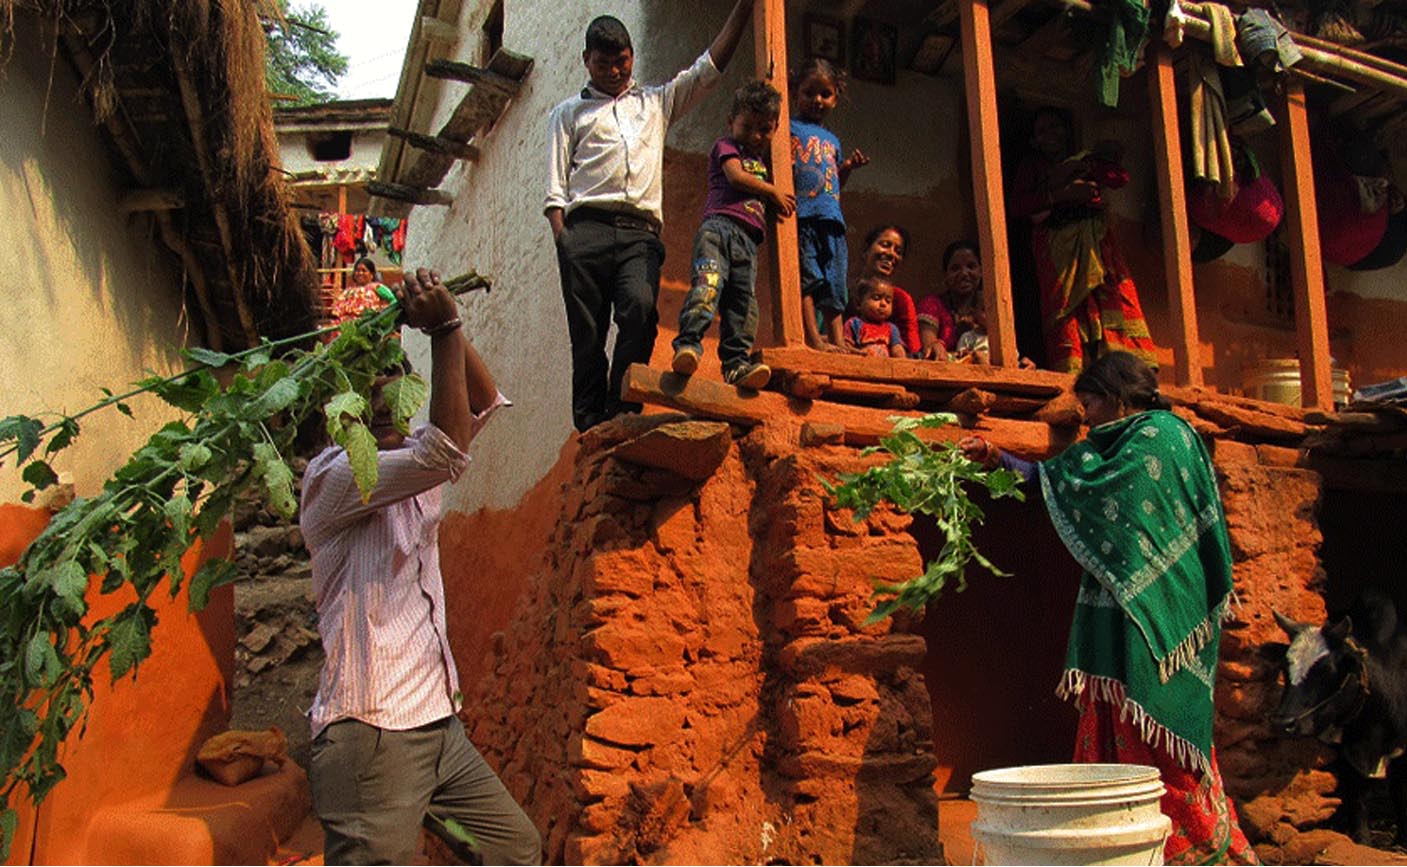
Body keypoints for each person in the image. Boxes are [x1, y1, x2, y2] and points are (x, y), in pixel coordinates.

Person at [958, 352, 1258, 865]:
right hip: (1115, 602)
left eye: (1091, 399)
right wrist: (994, 456)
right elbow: (1059, 480)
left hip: (1166, 606)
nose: (1086, 412)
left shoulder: (1163, 436)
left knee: (1158, 718)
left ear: (1118, 393)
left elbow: (1103, 493)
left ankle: (1193, 846)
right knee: (1116, 715)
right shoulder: (1103, 449)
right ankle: (1114, 840)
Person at [300, 269, 541, 865]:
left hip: (436, 723)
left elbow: (482, 402)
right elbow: (448, 449)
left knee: (515, 849)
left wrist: (445, 321)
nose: (383, 398)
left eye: (391, 378)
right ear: (338, 404)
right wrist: (445, 328)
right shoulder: (334, 476)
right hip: (371, 736)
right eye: (365, 388)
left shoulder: (411, 461)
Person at [545, 3, 756, 432]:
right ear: (587, 61)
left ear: (632, 57)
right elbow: (554, 188)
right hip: (584, 231)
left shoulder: (655, 104)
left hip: (640, 233)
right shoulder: (567, 114)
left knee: (640, 313)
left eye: (622, 61)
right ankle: (590, 422)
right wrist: (564, 239)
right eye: (604, 63)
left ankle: (623, 405)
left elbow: (708, 68)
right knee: (587, 332)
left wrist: (744, 7)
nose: (615, 71)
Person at [1007, 107, 1159, 373]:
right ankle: (1073, 369)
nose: (1049, 135)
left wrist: (1099, 160)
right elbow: (1018, 206)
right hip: (1057, 246)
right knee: (1067, 309)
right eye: (1041, 131)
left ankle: (1117, 368)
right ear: (1034, 141)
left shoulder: (1084, 160)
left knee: (1107, 297)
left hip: (1095, 242)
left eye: (1054, 127)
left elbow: (1119, 178)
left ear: (1066, 131)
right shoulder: (1033, 167)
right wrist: (1062, 195)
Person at [671, 81, 794, 389]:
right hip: (718, 230)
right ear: (731, 122)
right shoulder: (727, 147)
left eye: (764, 129)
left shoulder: (769, 163)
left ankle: (736, 365)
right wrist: (771, 192)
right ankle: (688, 345)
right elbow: (736, 177)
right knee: (708, 287)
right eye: (747, 126)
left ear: (776, 127)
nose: (755, 136)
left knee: (743, 304)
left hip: (748, 243)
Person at [789, 57, 869, 352]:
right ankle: (813, 338)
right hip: (803, 217)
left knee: (834, 281)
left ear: (836, 96)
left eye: (825, 94)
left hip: (832, 218)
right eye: (809, 93)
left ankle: (838, 341)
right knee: (808, 278)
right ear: (796, 92)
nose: (817, 100)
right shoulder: (789, 127)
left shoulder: (833, 140)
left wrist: (846, 168)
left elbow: (834, 185)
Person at [855, 225, 921, 356]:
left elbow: (913, 348)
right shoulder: (843, 293)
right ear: (866, 250)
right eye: (885, 245)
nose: (892, 254)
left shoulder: (901, 299)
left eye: (898, 251)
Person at [844, 278, 905, 358]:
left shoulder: (891, 329)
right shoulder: (854, 324)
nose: (883, 304)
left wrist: (900, 357)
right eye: (876, 298)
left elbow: (897, 348)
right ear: (859, 303)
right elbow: (846, 346)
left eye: (888, 301)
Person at [331, 257, 392, 324]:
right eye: (357, 270)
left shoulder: (376, 287)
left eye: (364, 270)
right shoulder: (347, 291)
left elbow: (392, 299)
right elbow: (337, 311)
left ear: (371, 274)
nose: (360, 273)